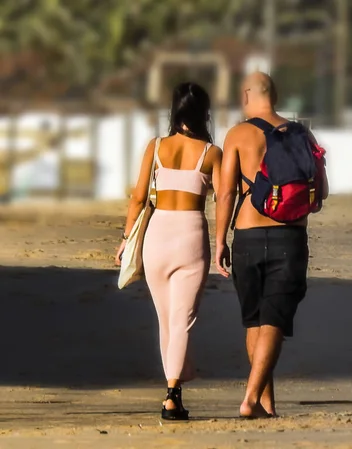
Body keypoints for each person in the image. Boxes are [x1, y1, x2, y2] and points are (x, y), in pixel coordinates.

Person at [215, 72, 329, 419]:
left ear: (247, 94)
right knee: (274, 320)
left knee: (255, 321)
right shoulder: (301, 133)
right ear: (274, 95)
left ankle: (259, 401)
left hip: (247, 236)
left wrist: (220, 240)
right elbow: (320, 192)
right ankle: (257, 401)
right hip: (289, 238)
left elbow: (226, 193)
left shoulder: (237, 134)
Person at [116, 82, 222, 420]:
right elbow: (224, 201)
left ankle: (176, 382)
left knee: (167, 320)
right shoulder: (211, 153)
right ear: (204, 113)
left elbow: (137, 197)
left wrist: (126, 236)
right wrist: (226, 243)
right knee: (183, 320)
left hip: (157, 237)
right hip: (191, 236)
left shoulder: (156, 146)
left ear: (174, 111)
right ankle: (172, 394)